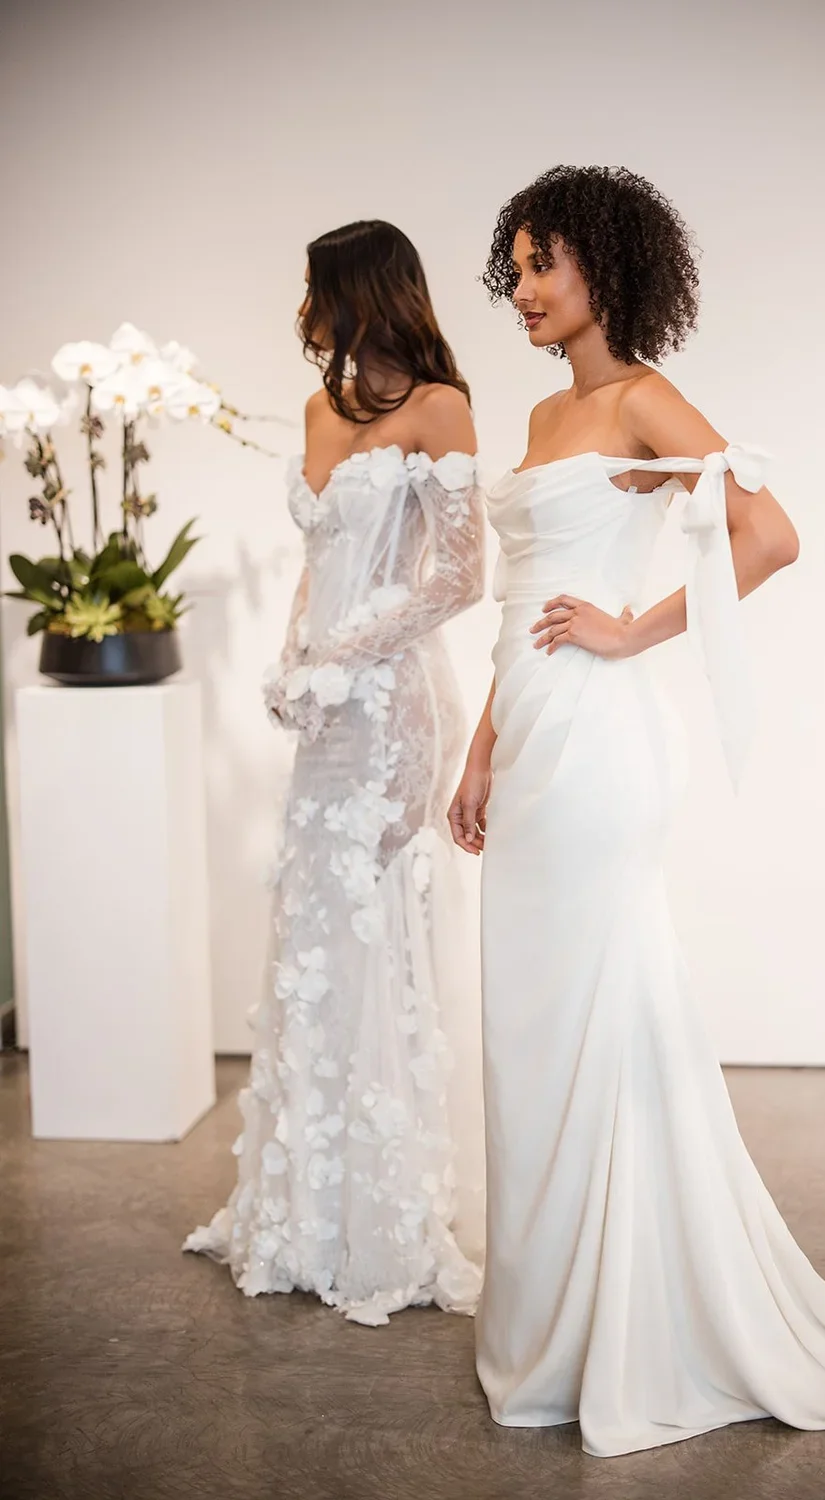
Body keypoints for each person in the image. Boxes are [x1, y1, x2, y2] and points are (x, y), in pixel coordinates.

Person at [449, 165, 825, 1457]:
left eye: (543, 263)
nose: (523, 290)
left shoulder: (642, 400)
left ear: (605, 265)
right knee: (534, 1027)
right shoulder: (541, 411)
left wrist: (631, 631)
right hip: (530, 739)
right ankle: (563, 1320)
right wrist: (478, 752)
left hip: (601, 747)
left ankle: (634, 1318)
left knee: (602, 1010)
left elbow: (768, 533)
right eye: (514, 268)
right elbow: (520, 609)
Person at [186, 220, 485, 1325]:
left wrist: (342, 657)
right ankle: (301, 1210)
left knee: (370, 931)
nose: (304, 310)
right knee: (312, 935)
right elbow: (320, 563)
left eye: (316, 289)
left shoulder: (439, 409)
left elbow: (459, 578)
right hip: (323, 709)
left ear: (364, 293)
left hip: (394, 710)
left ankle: (381, 1220)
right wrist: (289, 659)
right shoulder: (323, 410)